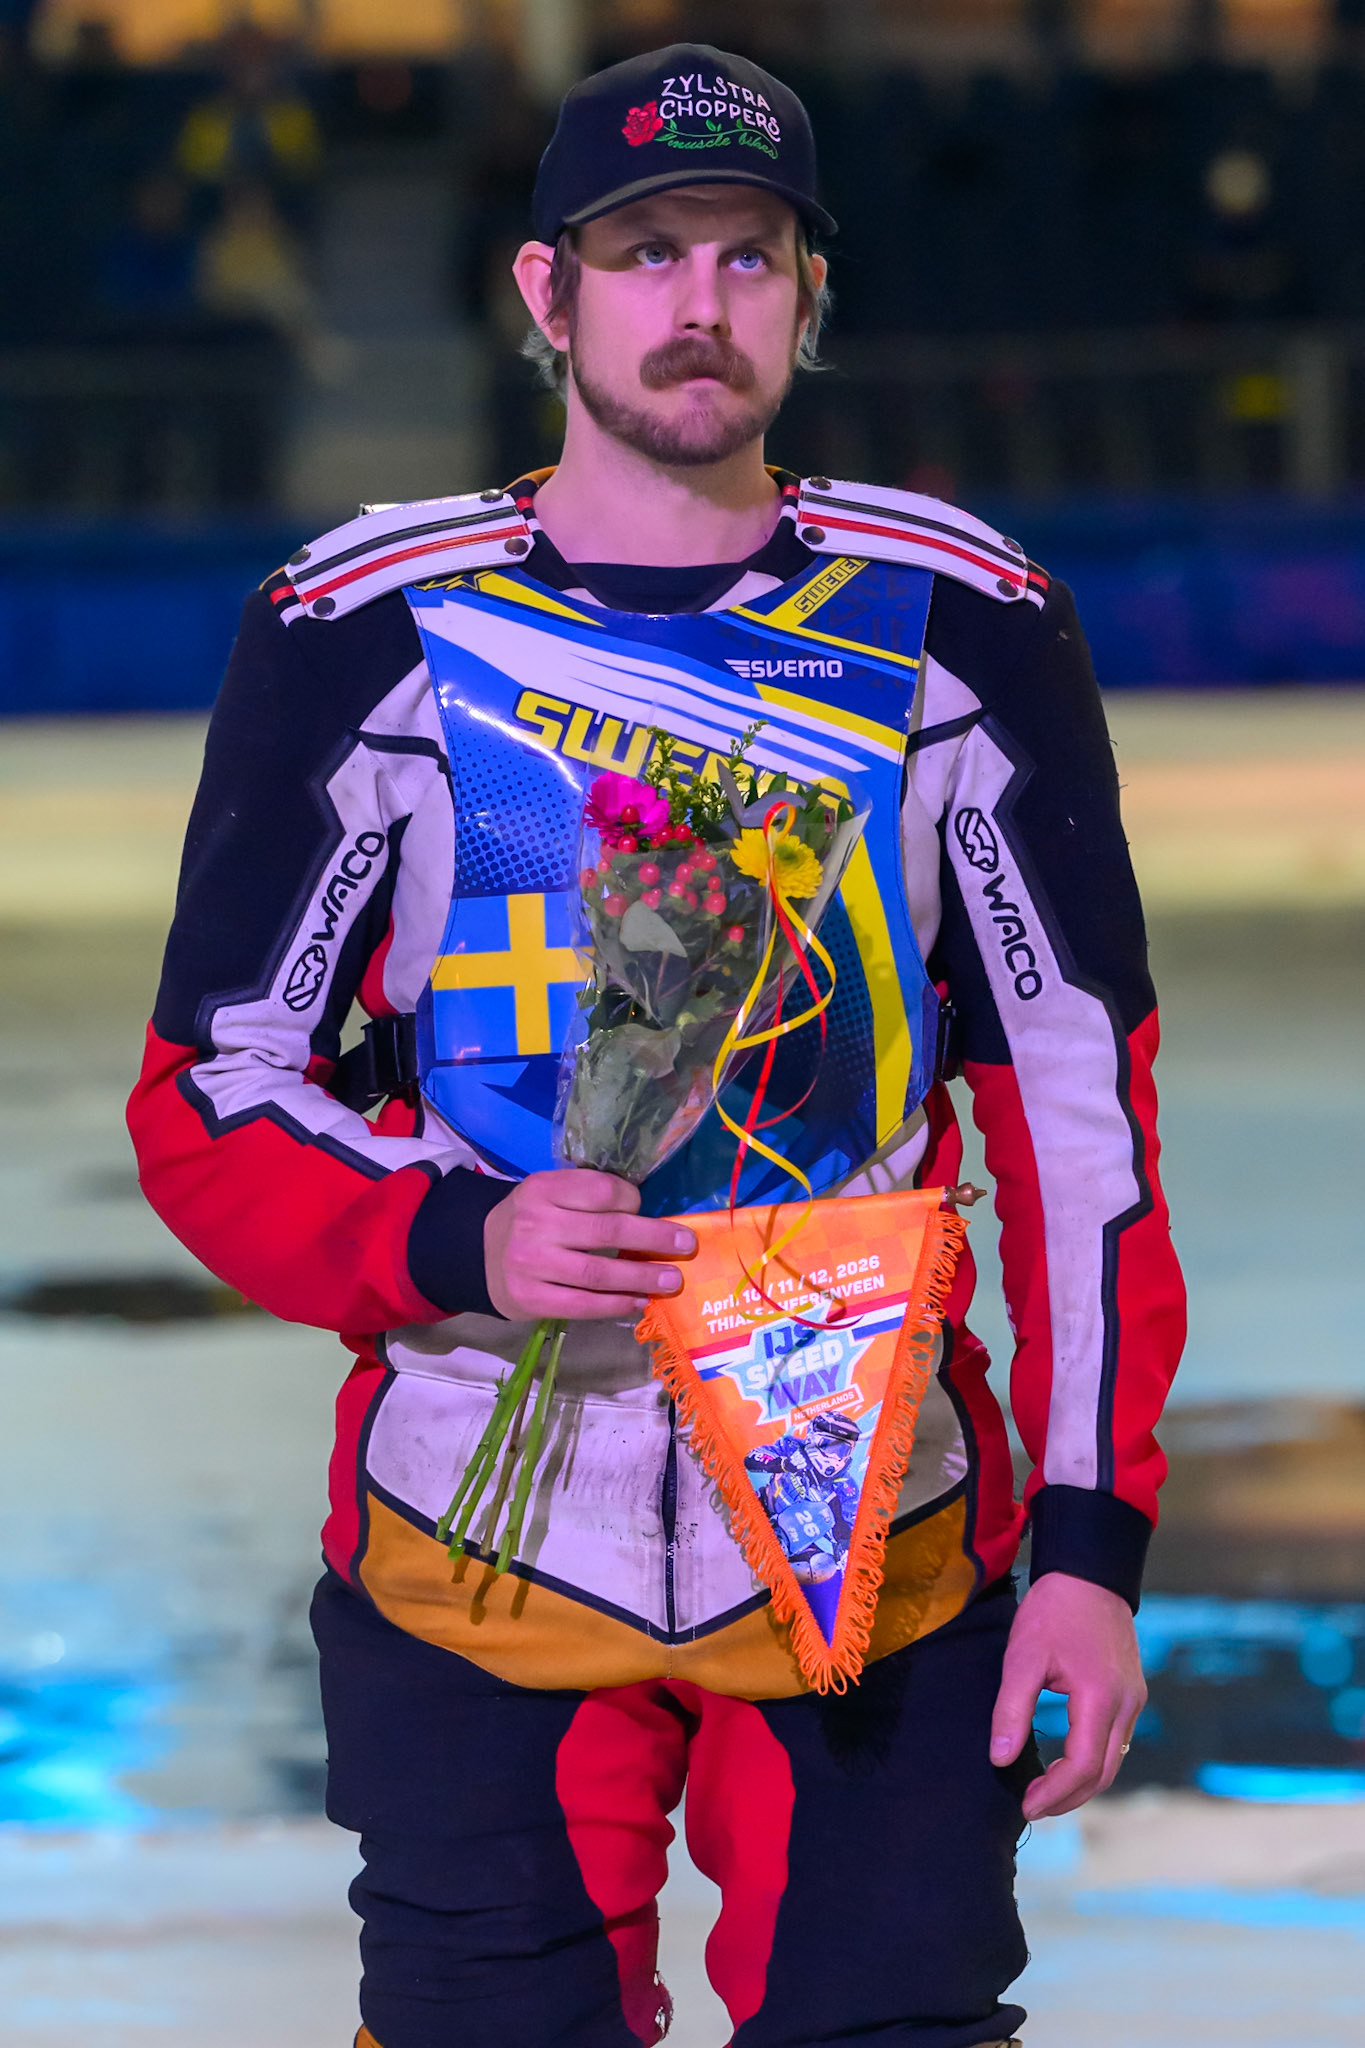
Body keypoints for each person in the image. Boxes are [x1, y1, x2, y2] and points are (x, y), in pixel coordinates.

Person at [128, 42, 1185, 2048]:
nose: (697, 304)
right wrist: (464, 1242)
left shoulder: (960, 617)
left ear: (805, 297)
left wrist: (1087, 1544)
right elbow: (212, 1096)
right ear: (545, 293)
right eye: (643, 255)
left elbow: (1074, 1115)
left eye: (747, 256)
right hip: (476, 1527)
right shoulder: (360, 625)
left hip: (877, 1528)